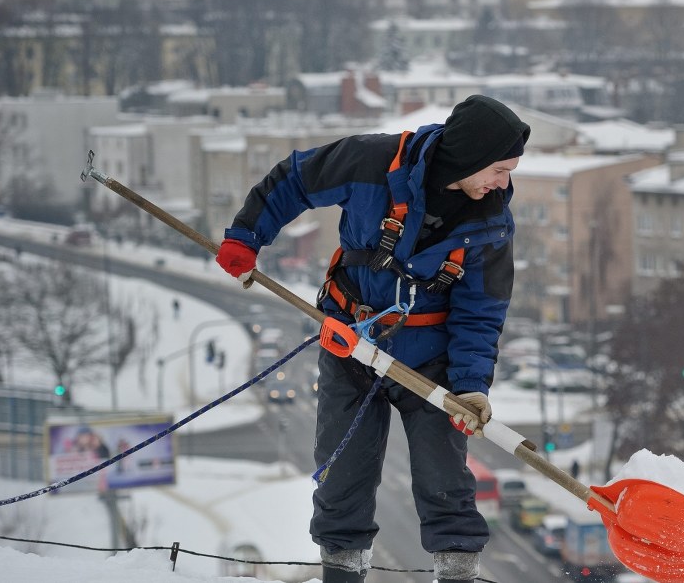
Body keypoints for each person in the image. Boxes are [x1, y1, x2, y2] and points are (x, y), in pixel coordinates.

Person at [213, 94, 529, 583]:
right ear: (469, 156)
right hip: (351, 345)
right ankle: (342, 573)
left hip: (431, 362)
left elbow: (481, 311)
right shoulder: (372, 161)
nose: (504, 183)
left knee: (446, 481)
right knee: (342, 476)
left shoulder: (489, 222)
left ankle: (458, 573)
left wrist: (470, 386)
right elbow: (296, 179)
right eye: (499, 168)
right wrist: (247, 235)